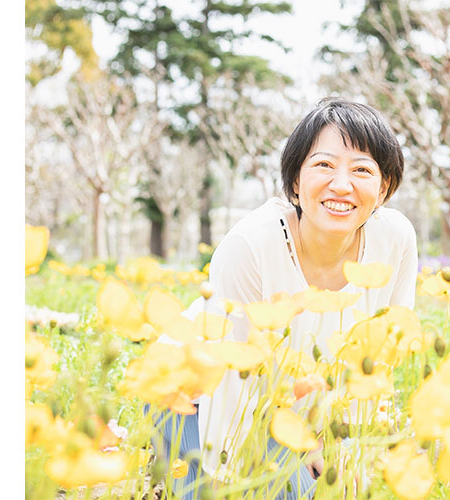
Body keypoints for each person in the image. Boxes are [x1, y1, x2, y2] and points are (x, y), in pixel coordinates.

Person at [159, 97, 418, 499]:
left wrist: (342, 447)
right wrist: (306, 446)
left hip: (301, 410)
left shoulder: (395, 239)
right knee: (277, 491)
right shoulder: (250, 246)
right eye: (324, 165)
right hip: (195, 397)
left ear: (383, 188)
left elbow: (381, 354)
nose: (342, 185)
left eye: (362, 170)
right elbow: (232, 389)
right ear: (295, 182)